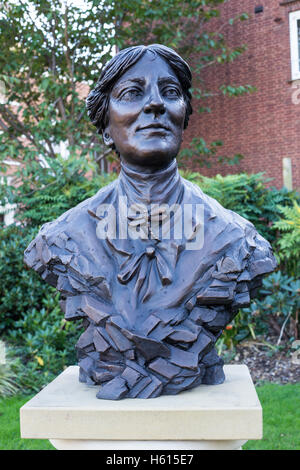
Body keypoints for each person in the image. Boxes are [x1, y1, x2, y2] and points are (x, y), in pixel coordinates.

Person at [24, 44, 277, 400]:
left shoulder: (238, 242)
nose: (155, 104)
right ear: (106, 127)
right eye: (132, 93)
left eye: (170, 93)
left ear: (183, 117)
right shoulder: (61, 240)